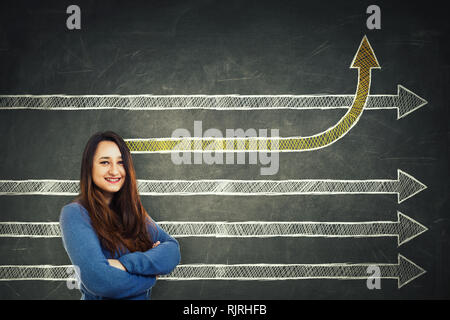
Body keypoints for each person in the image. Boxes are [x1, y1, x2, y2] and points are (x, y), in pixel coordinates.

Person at [59, 131, 180, 300]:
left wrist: (125, 264)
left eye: (121, 162)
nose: (114, 170)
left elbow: (172, 250)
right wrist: (151, 273)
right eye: (104, 162)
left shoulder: (131, 210)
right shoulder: (75, 213)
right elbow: (101, 281)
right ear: (89, 166)